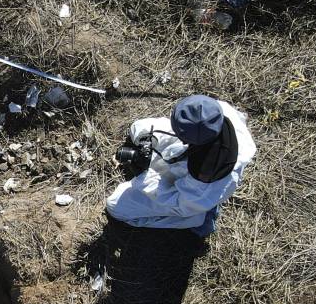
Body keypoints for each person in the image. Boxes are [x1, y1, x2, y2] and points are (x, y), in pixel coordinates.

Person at [106, 94, 256, 236]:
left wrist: (144, 176)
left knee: (115, 206)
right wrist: (146, 141)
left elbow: (178, 202)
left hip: (190, 201)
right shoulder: (211, 113)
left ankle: (196, 219)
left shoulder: (206, 177)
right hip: (193, 148)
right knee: (139, 128)